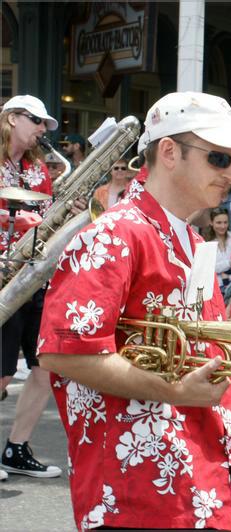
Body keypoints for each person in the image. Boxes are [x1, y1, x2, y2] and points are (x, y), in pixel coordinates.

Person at [37, 91, 231, 530]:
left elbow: (220, 353)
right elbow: (63, 352)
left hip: (216, 453)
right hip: (142, 481)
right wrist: (174, 391)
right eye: (219, 158)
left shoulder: (192, 243)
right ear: (170, 151)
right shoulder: (113, 234)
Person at [0, 95, 62, 479]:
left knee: (45, 369)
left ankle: (15, 449)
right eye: (36, 120)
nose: (42, 129)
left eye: (44, 124)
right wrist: (9, 217)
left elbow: (45, 214)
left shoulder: (38, 170)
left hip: (35, 274)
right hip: (4, 273)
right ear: (10, 119)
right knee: (3, 374)